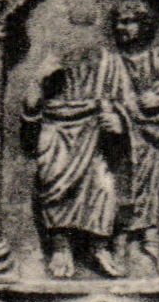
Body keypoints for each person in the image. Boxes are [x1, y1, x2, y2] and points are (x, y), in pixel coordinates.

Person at [25, 41, 127, 280]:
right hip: (55, 128)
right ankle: (61, 247)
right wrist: (38, 81)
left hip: (93, 129)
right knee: (54, 185)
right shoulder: (52, 54)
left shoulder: (110, 61)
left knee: (103, 187)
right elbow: (30, 107)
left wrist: (118, 120)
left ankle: (100, 247)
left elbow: (127, 104)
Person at [107, 0, 159, 268]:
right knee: (122, 184)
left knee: (153, 184)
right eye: (119, 22)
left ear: (145, 25)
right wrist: (124, 110)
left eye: (129, 21)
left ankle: (151, 239)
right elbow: (103, 97)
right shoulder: (113, 62)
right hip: (122, 135)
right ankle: (119, 239)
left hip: (156, 135)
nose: (122, 27)